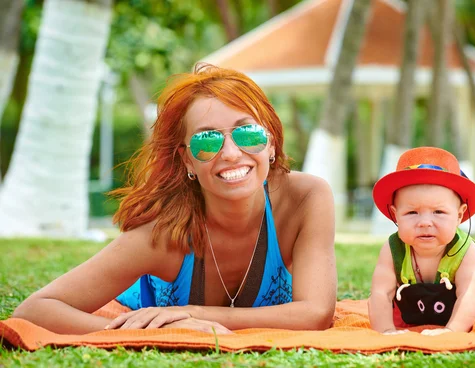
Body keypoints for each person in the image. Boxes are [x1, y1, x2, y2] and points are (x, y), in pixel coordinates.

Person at [13, 63, 337, 335]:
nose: (231, 153)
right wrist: (154, 330)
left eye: (247, 133)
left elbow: (317, 314)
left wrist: (196, 316)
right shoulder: (163, 234)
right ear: (186, 161)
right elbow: (35, 310)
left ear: (271, 143)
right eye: (207, 141)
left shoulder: (305, 198)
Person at [368, 147, 475, 336]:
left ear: (459, 215)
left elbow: (469, 295)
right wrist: (386, 331)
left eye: (438, 212)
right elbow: (380, 294)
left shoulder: (466, 251)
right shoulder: (393, 249)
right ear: (395, 214)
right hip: (426, 305)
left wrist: (451, 331)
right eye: (411, 212)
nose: (424, 223)